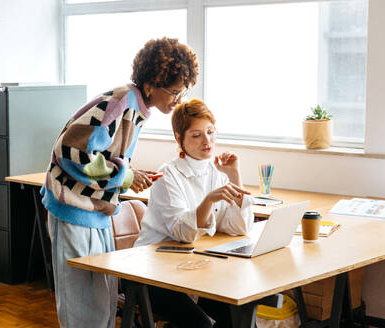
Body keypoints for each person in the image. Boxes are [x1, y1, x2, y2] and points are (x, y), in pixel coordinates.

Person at [40, 37, 198, 328]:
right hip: (73, 210)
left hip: (95, 213)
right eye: (175, 92)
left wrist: (129, 176)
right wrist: (124, 176)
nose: (179, 100)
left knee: (102, 305)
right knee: (82, 310)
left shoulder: (135, 108)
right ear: (151, 84)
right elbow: (72, 151)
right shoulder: (119, 102)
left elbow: (106, 155)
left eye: (184, 92)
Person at [134, 98, 255, 328]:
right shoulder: (167, 175)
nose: (207, 141)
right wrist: (209, 200)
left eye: (210, 132)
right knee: (200, 324)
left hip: (196, 269)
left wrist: (234, 176)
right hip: (154, 273)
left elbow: (238, 228)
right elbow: (184, 233)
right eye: (196, 135)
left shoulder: (217, 170)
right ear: (179, 138)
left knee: (238, 316)